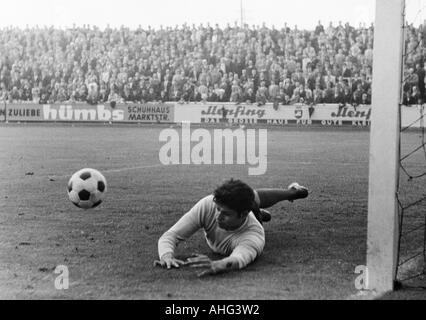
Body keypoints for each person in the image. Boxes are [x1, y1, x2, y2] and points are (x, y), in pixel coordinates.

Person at [154, 179, 308, 276]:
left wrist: (218, 264)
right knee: (249, 196)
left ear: (243, 214)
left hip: (251, 215)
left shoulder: (253, 235)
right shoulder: (208, 204)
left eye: (225, 214)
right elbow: (170, 236)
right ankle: (265, 209)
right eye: (218, 209)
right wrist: (166, 256)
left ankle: (293, 192)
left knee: (253, 199)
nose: (218, 216)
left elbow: (239, 259)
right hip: (246, 210)